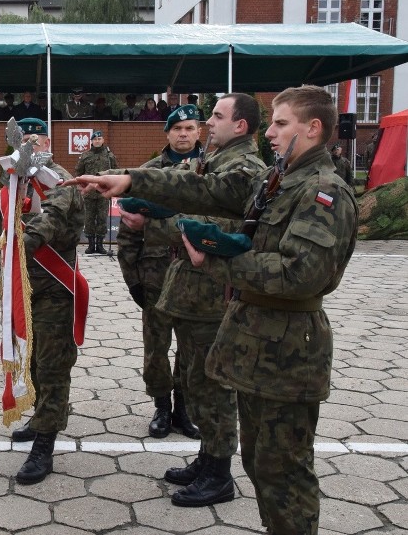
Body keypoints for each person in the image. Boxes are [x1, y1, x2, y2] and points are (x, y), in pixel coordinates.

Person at [68, 85, 358, 534]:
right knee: (262, 462)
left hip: (289, 348)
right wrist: (129, 180)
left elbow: (302, 274)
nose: (272, 133)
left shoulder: (323, 191)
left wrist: (220, 259)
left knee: (284, 470)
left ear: (313, 128)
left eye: (282, 124)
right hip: (257, 336)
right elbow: (203, 189)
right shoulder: (278, 179)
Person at [128, 99, 266, 507]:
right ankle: (207, 460)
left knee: (213, 387)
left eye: (216, 117)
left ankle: (220, 475)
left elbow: (214, 228)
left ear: (240, 125)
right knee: (196, 382)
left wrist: (152, 224)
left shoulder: (244, 170)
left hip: (211, 297)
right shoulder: (217, 160)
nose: (207, 123)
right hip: (191, 294)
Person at [0, 117, 85, 485]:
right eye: (22, 139)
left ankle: (45, 443)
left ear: (48, 142)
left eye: (35, 138)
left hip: (54, 291)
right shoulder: (13, 182)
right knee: (30, 362)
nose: (29, 144)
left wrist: (20, 245)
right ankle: (40, 418)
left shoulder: (60, 181)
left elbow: (51, 220)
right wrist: (3, 287)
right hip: (22, 292)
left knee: (52, 366)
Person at [113, 105, 206, 443]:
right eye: (177, 128)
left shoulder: (211, 171)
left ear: (199, 132)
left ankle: (184, 407)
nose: (183, 134)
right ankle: (162, 406)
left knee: (192, 348)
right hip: (155, 277)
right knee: (156, 347)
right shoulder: (148, 173)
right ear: (166, 134)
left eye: (190, 128)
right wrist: (132, 279)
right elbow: (128, 232)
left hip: (198, 278)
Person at [75, 130, 117, 254]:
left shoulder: (109, 156)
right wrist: (82, 186)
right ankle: (90, 245)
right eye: (95, 139)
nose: (97, 141)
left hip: (104, 193)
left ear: (103, 140)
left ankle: (100, 244)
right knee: (89, 218)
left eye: (99, 139)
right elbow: (79, 172)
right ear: (91, 141)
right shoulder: (85, 155)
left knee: (102, 219)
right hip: (89, 193)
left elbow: (115, 172)